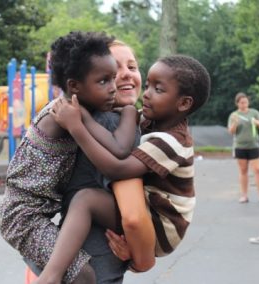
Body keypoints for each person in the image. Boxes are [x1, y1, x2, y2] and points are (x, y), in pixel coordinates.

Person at [36, 55, 211, 284]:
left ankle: (50, 277)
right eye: (147, 85)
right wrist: (86, 117)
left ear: (184, 103)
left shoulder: (172, 141)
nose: (146, 93)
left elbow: (118, 169)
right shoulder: (148, 120)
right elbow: (114, 142)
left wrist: (77, 126)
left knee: (86, 200)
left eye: (158, 89)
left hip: (162, 226)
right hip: (149, 210)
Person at [0, 31, 139, 284]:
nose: (113, 87)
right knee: (81, 276)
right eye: (104, 81)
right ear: (74, 86)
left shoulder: (77, 106)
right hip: (23, 217)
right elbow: (119, 148)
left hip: (31, 213)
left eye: (113, 79)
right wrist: (126, 111)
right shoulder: (67, 113)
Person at [227, 92, 259, 203]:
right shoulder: (234, 115)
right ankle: (244, 195)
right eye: (242, 102)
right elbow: (231, 132)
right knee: (243, 170)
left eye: (246, 102)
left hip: (254, 145)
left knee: (257, 170)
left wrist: (257, 122)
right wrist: (235, 123)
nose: (244, 104)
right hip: (240, 146)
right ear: (237, 103)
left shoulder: (254, 112)